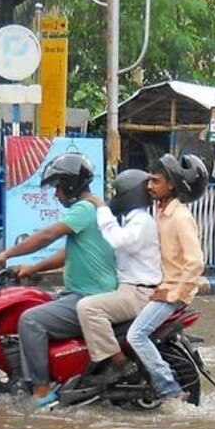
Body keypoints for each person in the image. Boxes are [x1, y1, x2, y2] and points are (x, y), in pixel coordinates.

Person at [0, 154, 117, 406]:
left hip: (89, 297)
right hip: (81, 293)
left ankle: (41, 391)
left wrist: (5, 254)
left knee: (31, 320)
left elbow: (46, 236)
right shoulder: (94, 210)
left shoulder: (84, 209)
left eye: (57, 187)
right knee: (34, 304)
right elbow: (67, 254)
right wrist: (32, 268)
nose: (55, 194)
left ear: (69, 184)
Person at [126, 153, 208, 402]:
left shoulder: (180, 217)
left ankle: (169, 389)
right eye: (149, 181)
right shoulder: (160, 212)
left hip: (172, 292)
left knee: (136, 335)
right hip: (159, 286)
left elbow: (195, 262)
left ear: (171, 184)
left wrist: (175, 293)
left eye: (155, 181)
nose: (150, 186)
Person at [70, 168, 161, 392]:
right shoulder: (133, 221)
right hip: (131, 289)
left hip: (137, 293)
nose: (114, 199)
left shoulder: (141, 221)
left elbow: (119, 241)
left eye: (118, 193)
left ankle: (120, 364)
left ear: (129, 195)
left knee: (88, 308)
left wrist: (102, 210)